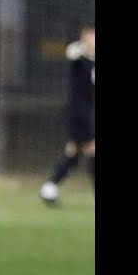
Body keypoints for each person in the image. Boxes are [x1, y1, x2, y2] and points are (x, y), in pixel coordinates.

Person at [39, 23, 95, 205]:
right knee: (90, 149)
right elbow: (71, 52)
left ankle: (50, 187)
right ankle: (50, 187)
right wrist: (83, 46)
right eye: (90, 36)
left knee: (74, 152)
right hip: (79, 113)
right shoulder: (78, 56)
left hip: (87, 112)